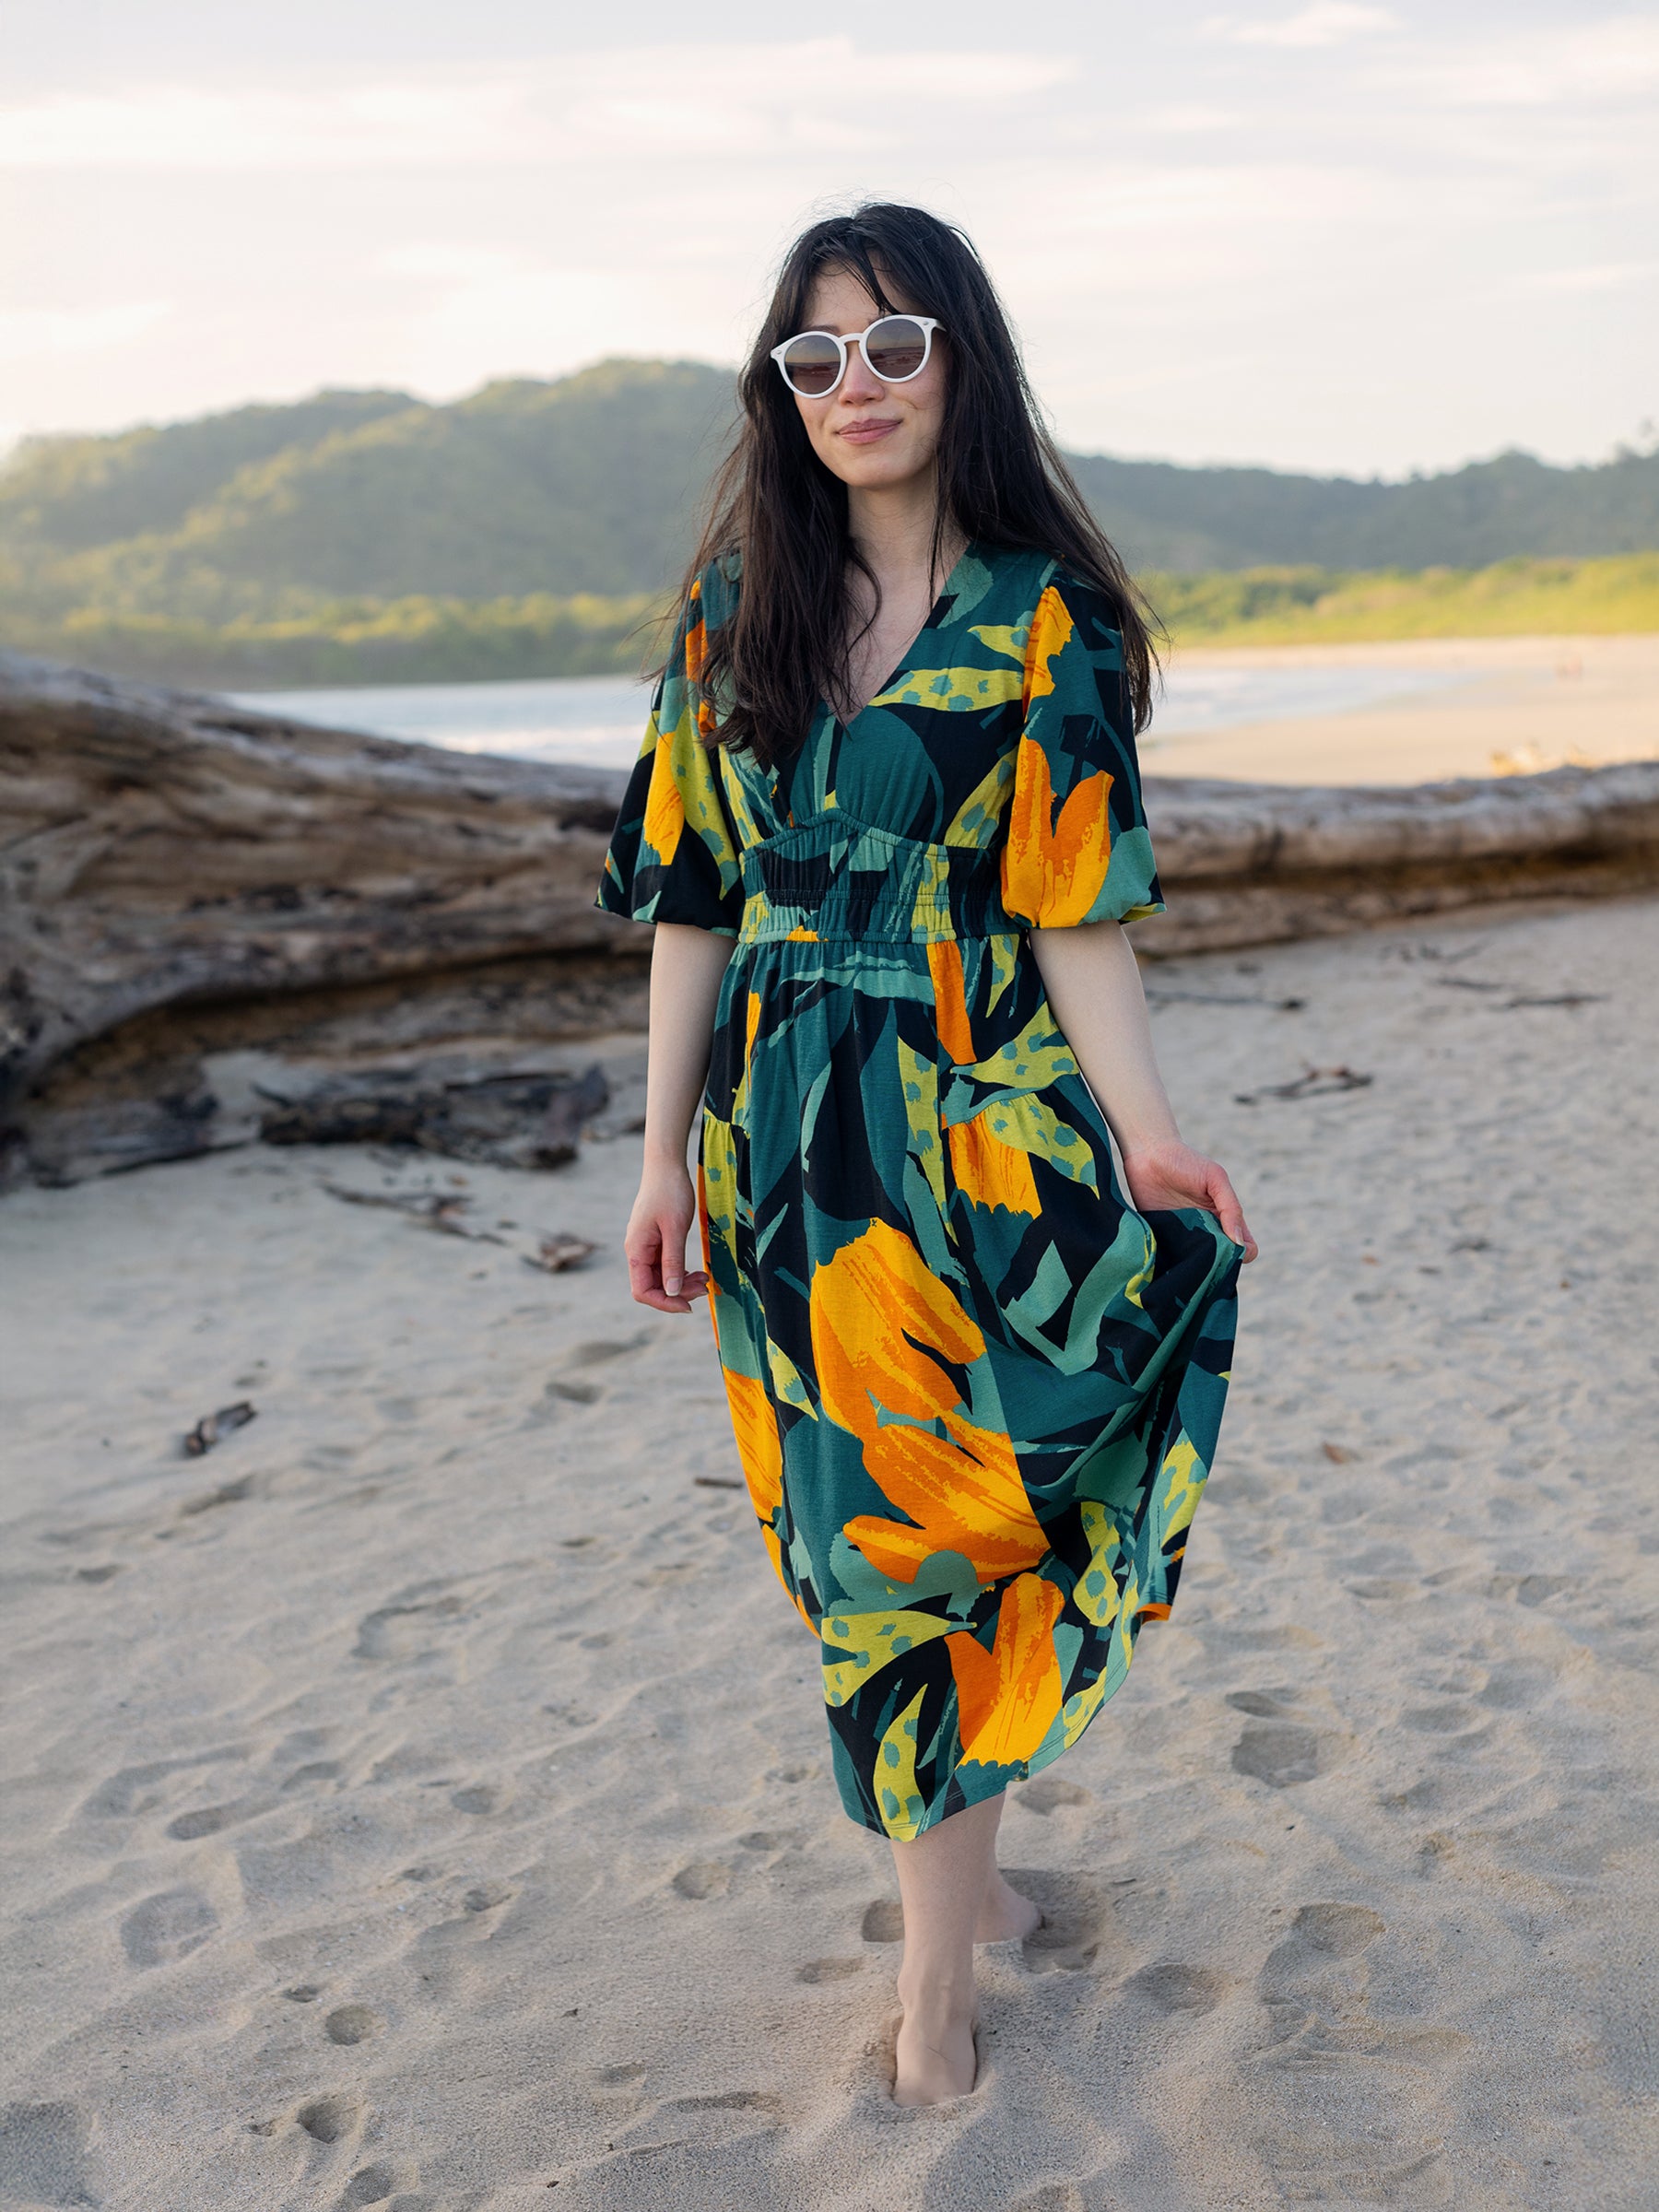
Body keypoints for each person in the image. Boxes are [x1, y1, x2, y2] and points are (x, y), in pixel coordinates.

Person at [595, 202, 1255, 2108]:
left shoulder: (1042, 619)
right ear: (779, 394)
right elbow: (691, 909)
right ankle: (967, 1876)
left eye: (892, 347)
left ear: (961, 360)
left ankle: (938, 1983)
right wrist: (657, 1161)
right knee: (850, 1544)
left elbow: (1078, 912)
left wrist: (1149, 1136)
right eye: (815, 360)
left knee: (945, 1538)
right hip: (792, 1148)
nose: (855, 388)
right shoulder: (737, 615)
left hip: (983, 1131)